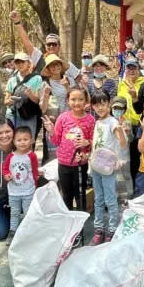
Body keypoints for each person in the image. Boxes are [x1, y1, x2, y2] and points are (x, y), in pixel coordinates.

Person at [42, 87, 95, 246]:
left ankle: (79, 228)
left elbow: (95, 141)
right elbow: (57, 140)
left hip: (81, 164)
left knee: (80, 195)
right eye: (73, 99)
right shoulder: (63, 118)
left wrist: (88, 144)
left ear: (86, 101)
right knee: (66, 194)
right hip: (64, 163)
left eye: (80, 99)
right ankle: (67, 225)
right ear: (67, 101)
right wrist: (51, 130)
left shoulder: (90, 120)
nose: (77, 103)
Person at [88, 90, 127, 244]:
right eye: (96, 105)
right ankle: (98, 230)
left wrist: (120, 130)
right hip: (96, 167)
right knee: (98, 199)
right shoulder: (98, 122)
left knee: (110, 200)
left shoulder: (113, 122)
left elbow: (122, 143)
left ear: (109, 104)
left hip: (108, 168)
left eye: (103, 104)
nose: (100, 107)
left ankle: (112, 229)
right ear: (93, 106)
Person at [10, 10, 80, 80]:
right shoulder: (38, 57)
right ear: (45, 46)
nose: (51, 46)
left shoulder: (66, 64)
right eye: (49, 44)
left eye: (54, 44)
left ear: (59, 46)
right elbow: (26, 41)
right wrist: (17, 23)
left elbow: (79, 79)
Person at [2, 126, 39, 235]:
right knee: (14, 212)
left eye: (25, 139)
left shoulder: (32, 156)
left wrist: (35, 185)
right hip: (14, 192)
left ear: (31, 140)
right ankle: (13, 231)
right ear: (14, 141)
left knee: (28, 212)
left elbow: (35, 171)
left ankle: (28, 232)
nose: (22, 143)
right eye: (19, 140)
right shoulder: (10, 156)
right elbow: (5, 169)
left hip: (28, 191)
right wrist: (7, 175)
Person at [39, 54, 76, 163]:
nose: (55, 67)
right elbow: (43, 108)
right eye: (52, 66)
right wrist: (45, 96)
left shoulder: (68, 80)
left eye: (57, 64)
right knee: (54, 155)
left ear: (61, 65)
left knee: (70, 151)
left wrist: (67, 87)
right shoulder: (45, 84)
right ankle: (55, 179)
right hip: (53, 123)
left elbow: (76, 101)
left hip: (69, 122)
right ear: (48, 69)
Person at [117, 57, 144, 181]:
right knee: (125, 154)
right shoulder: (121, 84)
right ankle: (129, 183)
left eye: (134, 68)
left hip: (139, 124)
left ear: (139, 69)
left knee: (137, 155)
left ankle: (138, 181)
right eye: (129, 68)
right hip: (124, 124)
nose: (131, 71)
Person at [4, 52, 42, 139]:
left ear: (28, 63)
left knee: (27, 141)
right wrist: (12, 101)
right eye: (17, 62)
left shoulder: (37, 78)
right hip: (13, 115)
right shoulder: (12, 80)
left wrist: (30, 94)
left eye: (22, 62)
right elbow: (6, 101)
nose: (20, 64)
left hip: (29, 115)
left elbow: (37, 100)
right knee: (13, 142)